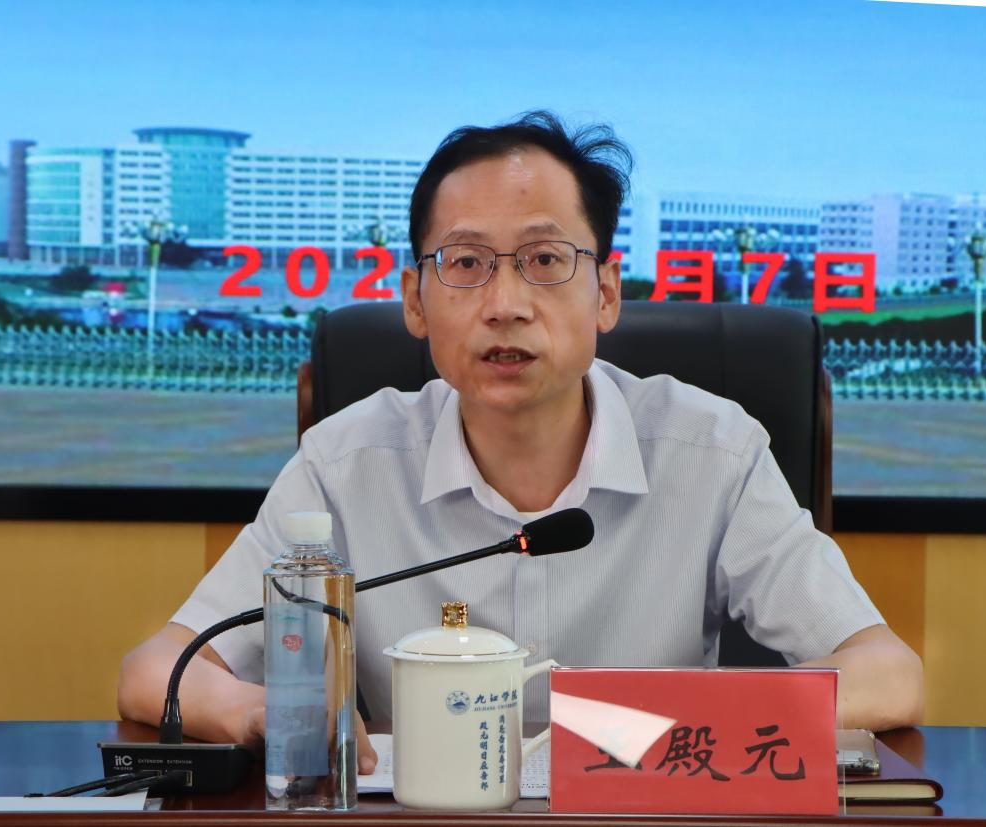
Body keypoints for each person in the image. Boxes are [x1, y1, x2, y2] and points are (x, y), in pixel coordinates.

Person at [117, 111, 923, 773]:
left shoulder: (713, 451)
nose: (505, 303)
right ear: (415, 300)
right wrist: (259, 712)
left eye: (544, 259)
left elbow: (887, 672)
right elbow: (156, 670)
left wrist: (667, 727)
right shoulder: (344, 464)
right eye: (467, 263)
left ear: (605, 292)